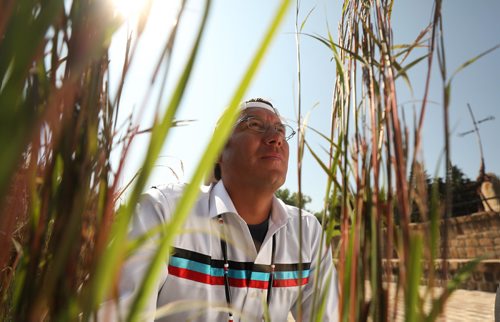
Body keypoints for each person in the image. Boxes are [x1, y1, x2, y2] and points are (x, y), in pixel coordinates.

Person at [112, 98, 339, 321]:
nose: (276, 137)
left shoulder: (307, 233)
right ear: (219, 151)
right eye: (254, 125)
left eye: (281, 129)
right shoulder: (164, 212)